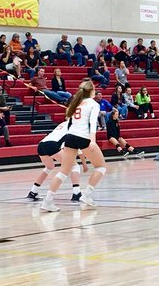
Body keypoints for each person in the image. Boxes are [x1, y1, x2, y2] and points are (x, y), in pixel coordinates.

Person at [40, 81, 108, 212]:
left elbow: (70, 122)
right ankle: (87, 195)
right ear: (92, 91)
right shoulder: (93, 104)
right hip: (83, 137)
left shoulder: (76, 103)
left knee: (64, 171)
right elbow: (93, 123)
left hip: (70, 138)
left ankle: (47, 201)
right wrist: (92, 140)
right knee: (101, 167)